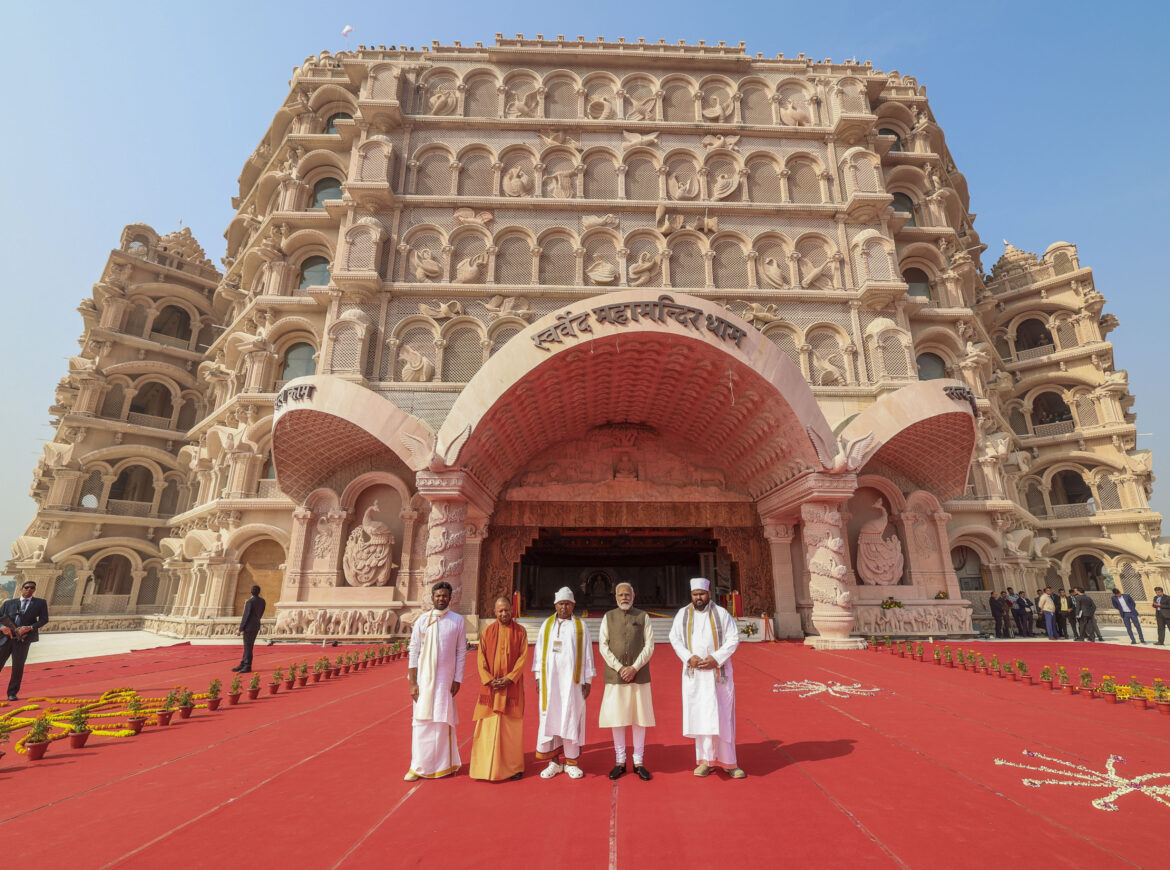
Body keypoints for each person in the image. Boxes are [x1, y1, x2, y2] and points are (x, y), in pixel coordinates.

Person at [669, 577, 744, 779]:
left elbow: (733, 638)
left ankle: (729, 762)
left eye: (702, 594)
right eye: (695, 595)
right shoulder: (682, 614)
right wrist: (688, 657)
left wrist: (716, 658)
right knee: (701, 716)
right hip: (696, 676)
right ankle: (705, 761)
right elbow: (674, 638)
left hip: (718, 674)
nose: (698, 598)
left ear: (708, 594)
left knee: (723, 716)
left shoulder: (721, 613)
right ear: (691, 595)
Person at [405, 581, 466, 781]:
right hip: (424, 680)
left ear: (451, 598)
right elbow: (414, 651)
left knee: (441, 721)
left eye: (445, 596)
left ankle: (443, 766)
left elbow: (461, 652)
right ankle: (418, 766)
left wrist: (457, 679)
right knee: (421, 722)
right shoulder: (422, 620)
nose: (441, 599)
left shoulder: (457, 620)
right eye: (438, 595)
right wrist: (413, 682)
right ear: (433, 597)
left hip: (444, 680)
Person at [532, 586, 595, 780]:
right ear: (555, 605)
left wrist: (588, 679)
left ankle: (571, 763)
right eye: (561, 604)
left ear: (573, 605)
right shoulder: (547, 625)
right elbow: (538, 651)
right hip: (550, 684)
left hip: (572, 684)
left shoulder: (580, 626)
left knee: (571, 718)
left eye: (567, 604)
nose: (564, 607)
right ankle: (554, 762)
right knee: (550, 718)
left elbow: (587, 654)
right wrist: (537, 677)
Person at [598, 582, 655, 781]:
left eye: (627, 594)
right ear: (615, 597)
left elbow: (649, 645)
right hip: (616, 675)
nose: (624, 598)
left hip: (639, 675)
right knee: (618, 718)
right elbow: (603, 646)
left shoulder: (643, 616)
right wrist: (621, 668)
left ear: (634, 595)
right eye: (621, 594)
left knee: (640, 718)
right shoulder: (608, 617)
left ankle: (638, 761)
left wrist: (634, 668)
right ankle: (619, 761)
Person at [469, 596, 528, 782]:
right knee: (487, 726)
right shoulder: (486, 632)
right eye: (500, 611)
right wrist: (488, 679)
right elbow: (481, 660)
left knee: (511, 729)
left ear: (512, 610)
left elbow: (523, 658)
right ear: (495, 612)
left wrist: (510, 678)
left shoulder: (520, 632)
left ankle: (513, 768)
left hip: (512, 688)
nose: (504, 613)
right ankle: (484, 768)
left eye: (507, 610)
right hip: (491, 688)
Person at [0, 580, 50, 700]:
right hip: (5, 639)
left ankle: (12, 693)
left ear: (34, 590)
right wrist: (2, 628)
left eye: (32, 588)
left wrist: (30, 627)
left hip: (22, 640)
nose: (29, 589)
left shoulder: (40, 603)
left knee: (18, 667)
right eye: (27, 587)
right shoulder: (9, 603)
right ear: (21, 589)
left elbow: (44, 619)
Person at [233, 585, 265, 673]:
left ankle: (247, 665)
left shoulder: (250, 602)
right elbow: (261, 613)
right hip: (256, 625)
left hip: (249, 627)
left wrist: (240, 628)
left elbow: (246, 616)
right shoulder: (262, 601)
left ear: (251, 592)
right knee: (248, 646)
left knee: (248, 646)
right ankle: (243, 663)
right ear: (259, 592)